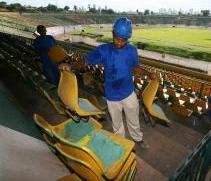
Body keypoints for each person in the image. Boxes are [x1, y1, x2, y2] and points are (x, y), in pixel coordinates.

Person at [59, 17, 157, 149]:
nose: (119, 43)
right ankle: (122, 143)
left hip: (129, 93)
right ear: (112, 34)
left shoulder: (132, 50)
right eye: (117, 38)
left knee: (133, 119)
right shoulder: (103, 50)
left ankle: (137, 138)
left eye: (123, 40)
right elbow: (86, 61)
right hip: (112, 95)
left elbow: (136, 67)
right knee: (117, 124)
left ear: (128, 39)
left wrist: (148, 73)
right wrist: (71, 66)